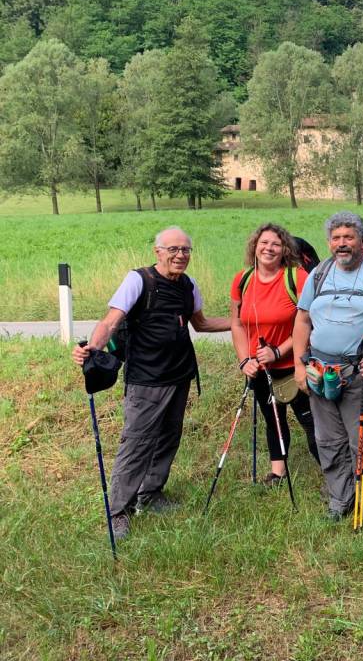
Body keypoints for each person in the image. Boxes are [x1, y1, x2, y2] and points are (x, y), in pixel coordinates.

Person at [71, 227, 230, 541]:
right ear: (158, 252)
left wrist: (242, 323)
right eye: (173, 249)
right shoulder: (138, 280)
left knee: (169, 439)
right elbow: (111, 320)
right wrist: (94, 349)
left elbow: (202, 323)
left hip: (180, 375)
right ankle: (119, 511)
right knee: (137, 444)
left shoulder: (188, 285)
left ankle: (151, 494)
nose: (180, 255)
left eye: (185, 250)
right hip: (146, 379)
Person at [292, 212, 363, 523]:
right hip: (319, 371)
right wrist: (299, 365)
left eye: (349, 237)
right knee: (329, 441)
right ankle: (340, 499)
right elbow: (302, 320)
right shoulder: (318, 274)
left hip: (360, 374)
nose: (342, 243)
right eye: (337, 238)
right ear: (329, 243)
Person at [230, 223, 319, 485]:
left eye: (276, 244)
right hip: (259, 369)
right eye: (264, 243)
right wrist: (245, 360)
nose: (269, 248)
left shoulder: (297, 277)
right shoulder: (242, 279)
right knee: (273, 419)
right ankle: (277, 473)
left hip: (295, 365)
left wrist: (278, 350)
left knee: (311, 421)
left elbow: (309, 322)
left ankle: (332, 471)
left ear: (285, 250)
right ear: (254, 247)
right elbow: (236, 323)